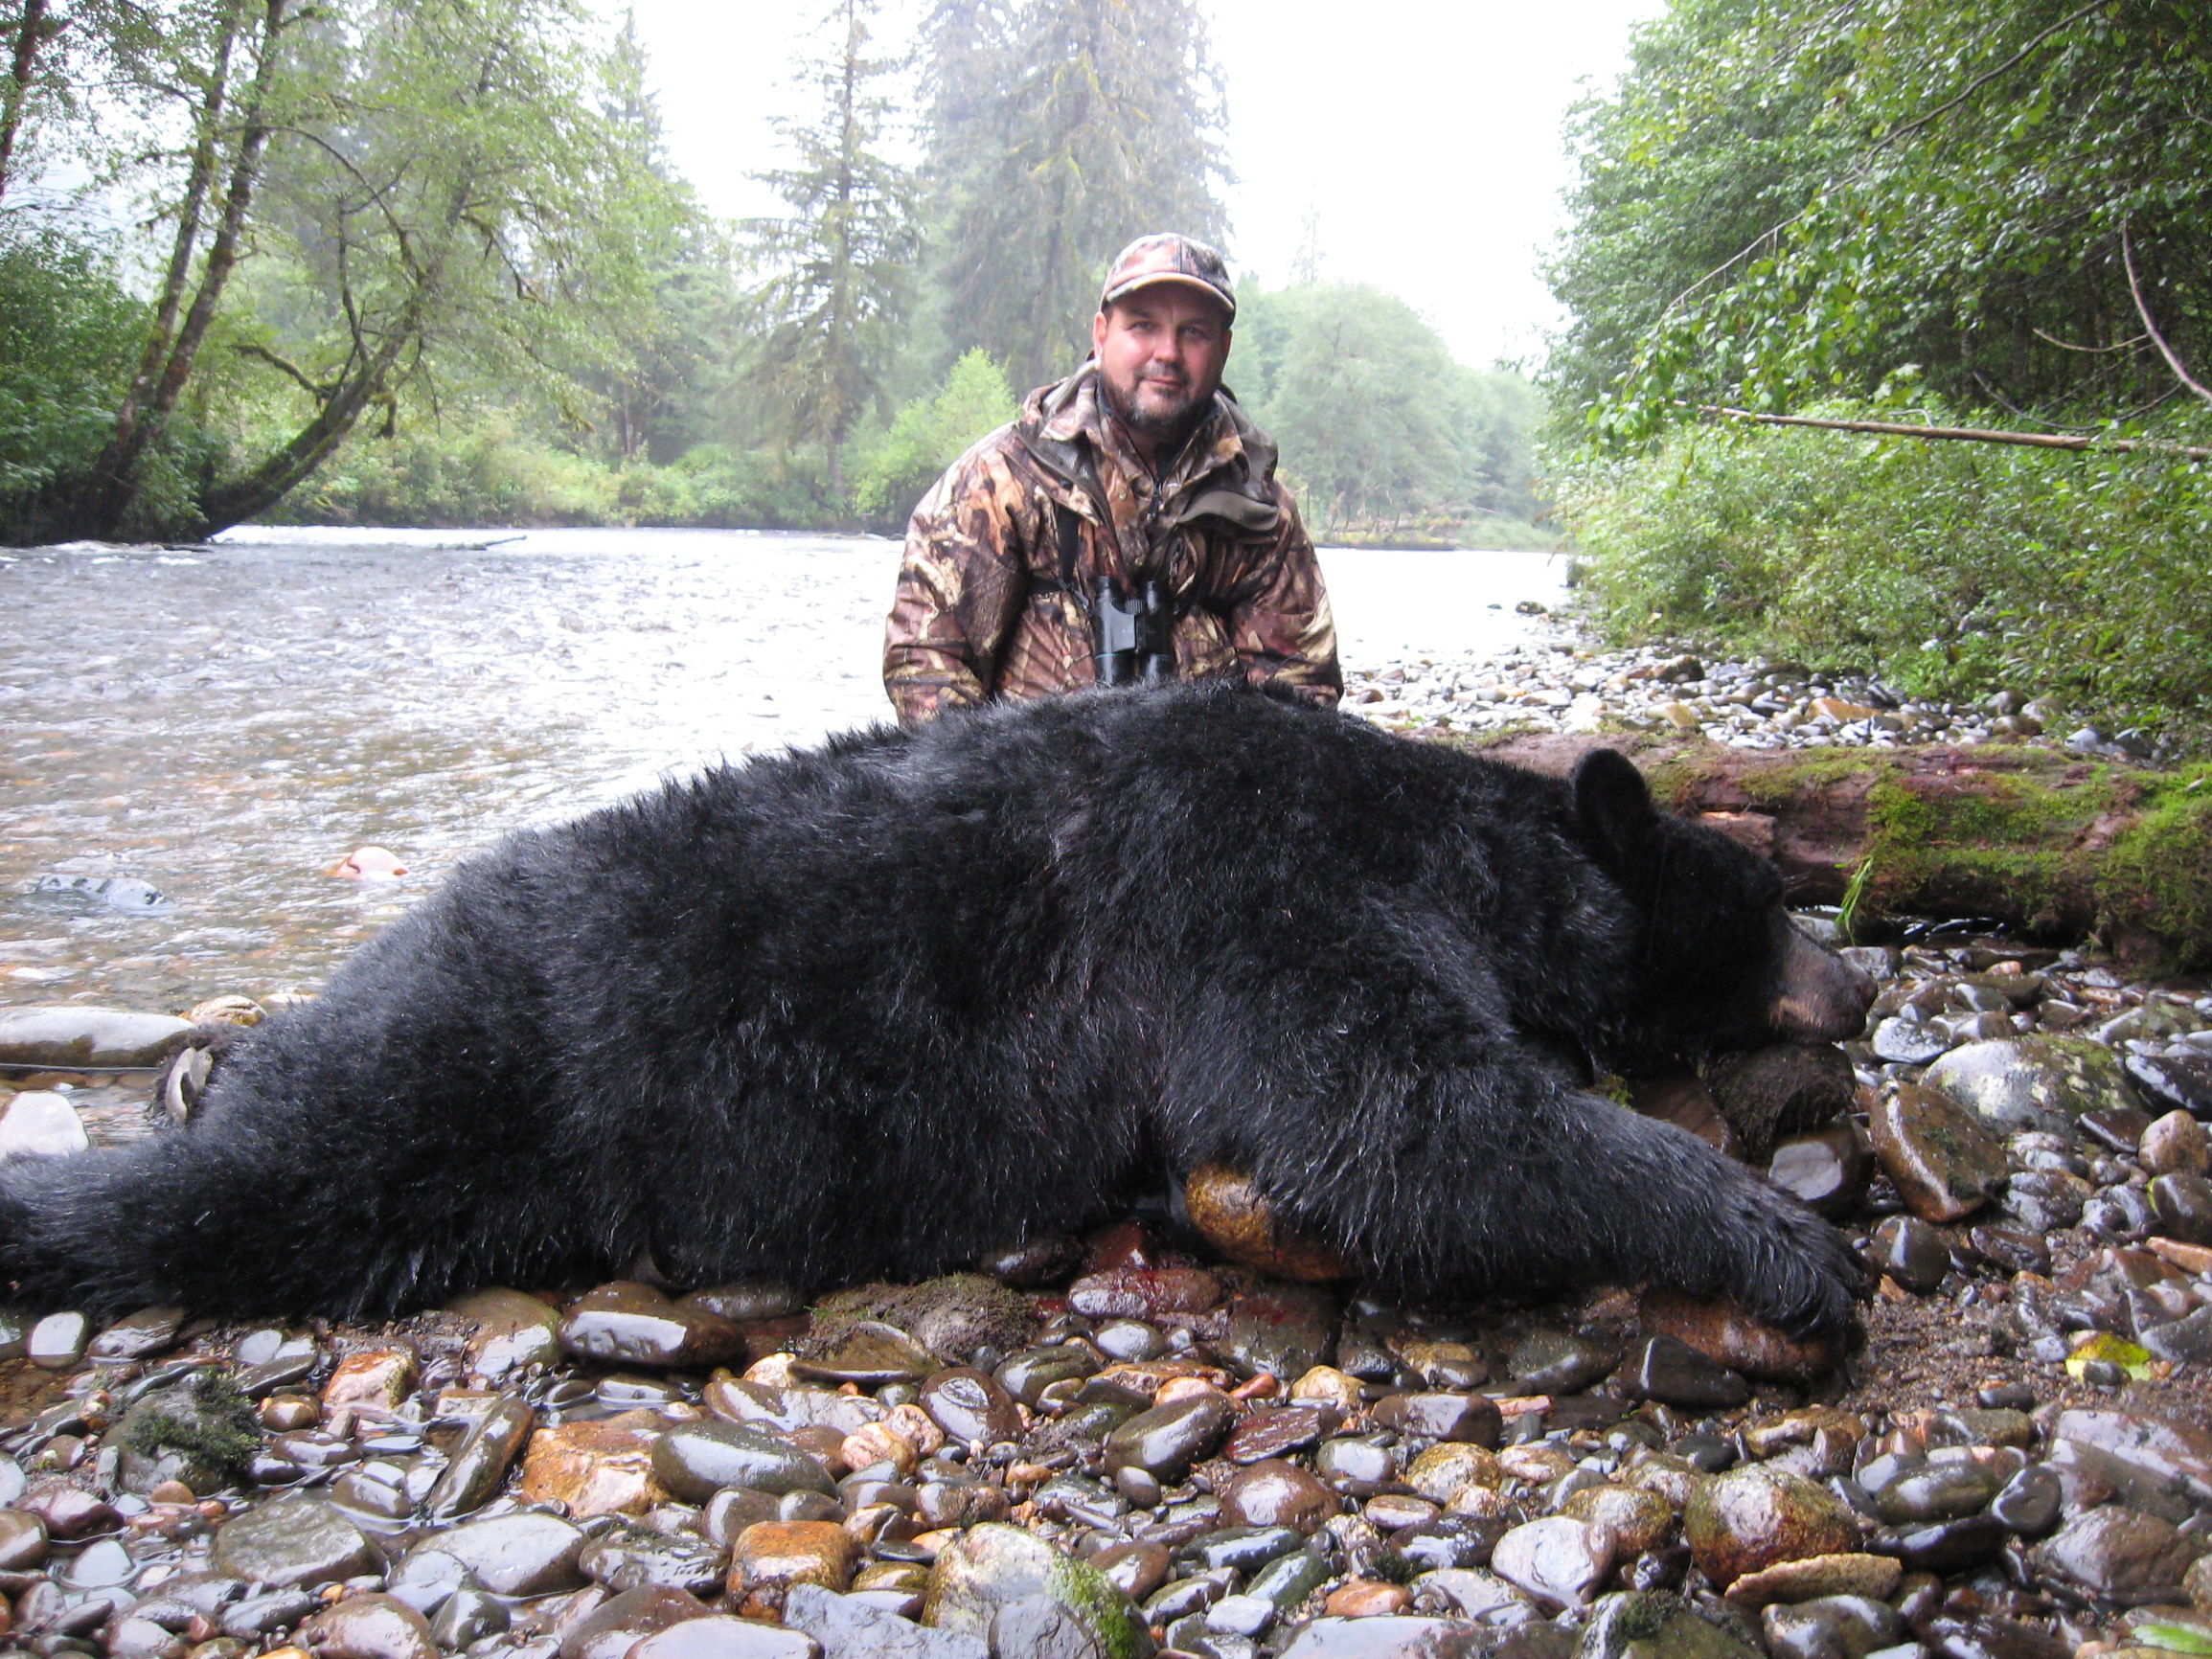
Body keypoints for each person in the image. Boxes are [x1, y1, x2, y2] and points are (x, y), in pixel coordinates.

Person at [883, 232, 1341, 723]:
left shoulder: (1262, 512)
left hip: (1197, 790)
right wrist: (986, 791)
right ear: (1101, 336)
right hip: (1027, 788)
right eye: (1143, 327)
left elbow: (1301, 695)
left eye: (1193, 333)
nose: (1167, 352)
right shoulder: (1001, 480)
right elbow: (927, 663)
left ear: (1223, 348)